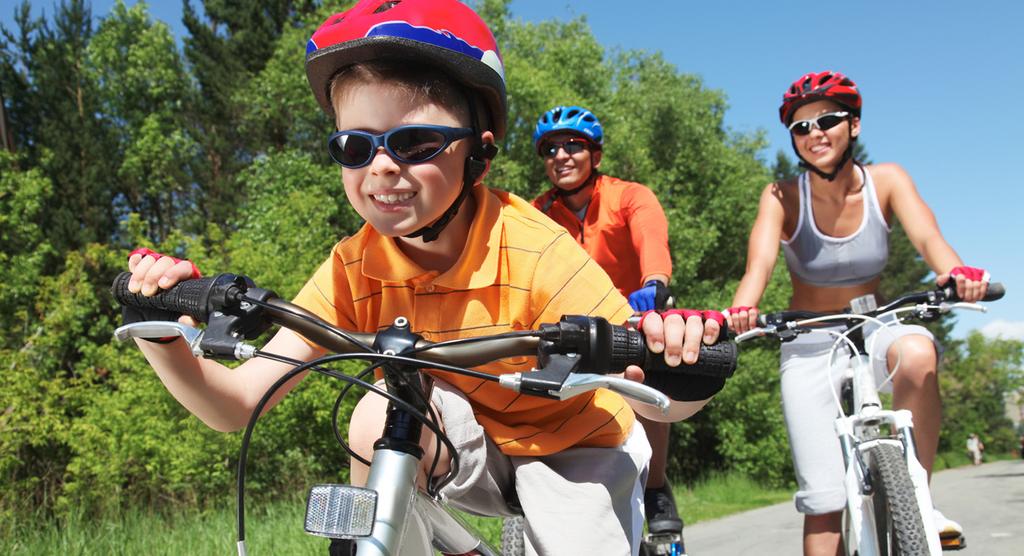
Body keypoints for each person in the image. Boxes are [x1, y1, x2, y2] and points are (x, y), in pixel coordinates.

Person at [121, 1, 729, 554]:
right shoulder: (353, 267)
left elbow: (661, 401)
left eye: (415, 142)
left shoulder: (535, 248)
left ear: (479, 153)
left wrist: (683, 361)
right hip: (466, 447)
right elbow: (235, 405)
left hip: (578, 446)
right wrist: (159, 333)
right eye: (354, 147)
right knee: (374, 412)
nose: (381, 167)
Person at [724, 70, 991, 555]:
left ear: (855, 125)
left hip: (875, 323)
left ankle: (918, 498)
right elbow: (758, 265)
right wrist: (744, 307)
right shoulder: (781, 195)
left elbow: (929, 240)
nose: (814, 134)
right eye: (801, 128)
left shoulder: (886, 181)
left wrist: (956, 274)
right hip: (809, 339)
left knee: (917, 352)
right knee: (824, 505)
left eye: (827, 120)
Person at [530, 106, 685, 542]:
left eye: (573, 145)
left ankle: (655, 487)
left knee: (655, 375)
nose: (561, 155)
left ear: (595, 156)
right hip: (574, 326)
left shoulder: (628, 195)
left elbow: (651, 239)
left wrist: (654, 283)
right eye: (550, 148)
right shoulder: (539, 212)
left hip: (635, 318)